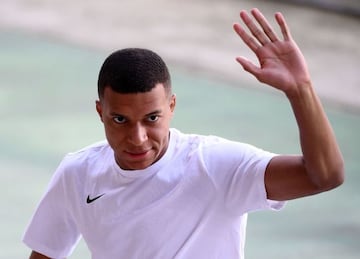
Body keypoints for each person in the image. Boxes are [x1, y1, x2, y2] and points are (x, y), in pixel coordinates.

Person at [23, 8, 344, 259]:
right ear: (100, 113)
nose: (137, 137)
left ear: (171, 106)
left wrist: (300, 91)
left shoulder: (216, 166)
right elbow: (46, 253)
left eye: (151, 118)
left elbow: (325, 176)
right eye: (120, 119)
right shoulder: (78, 173)